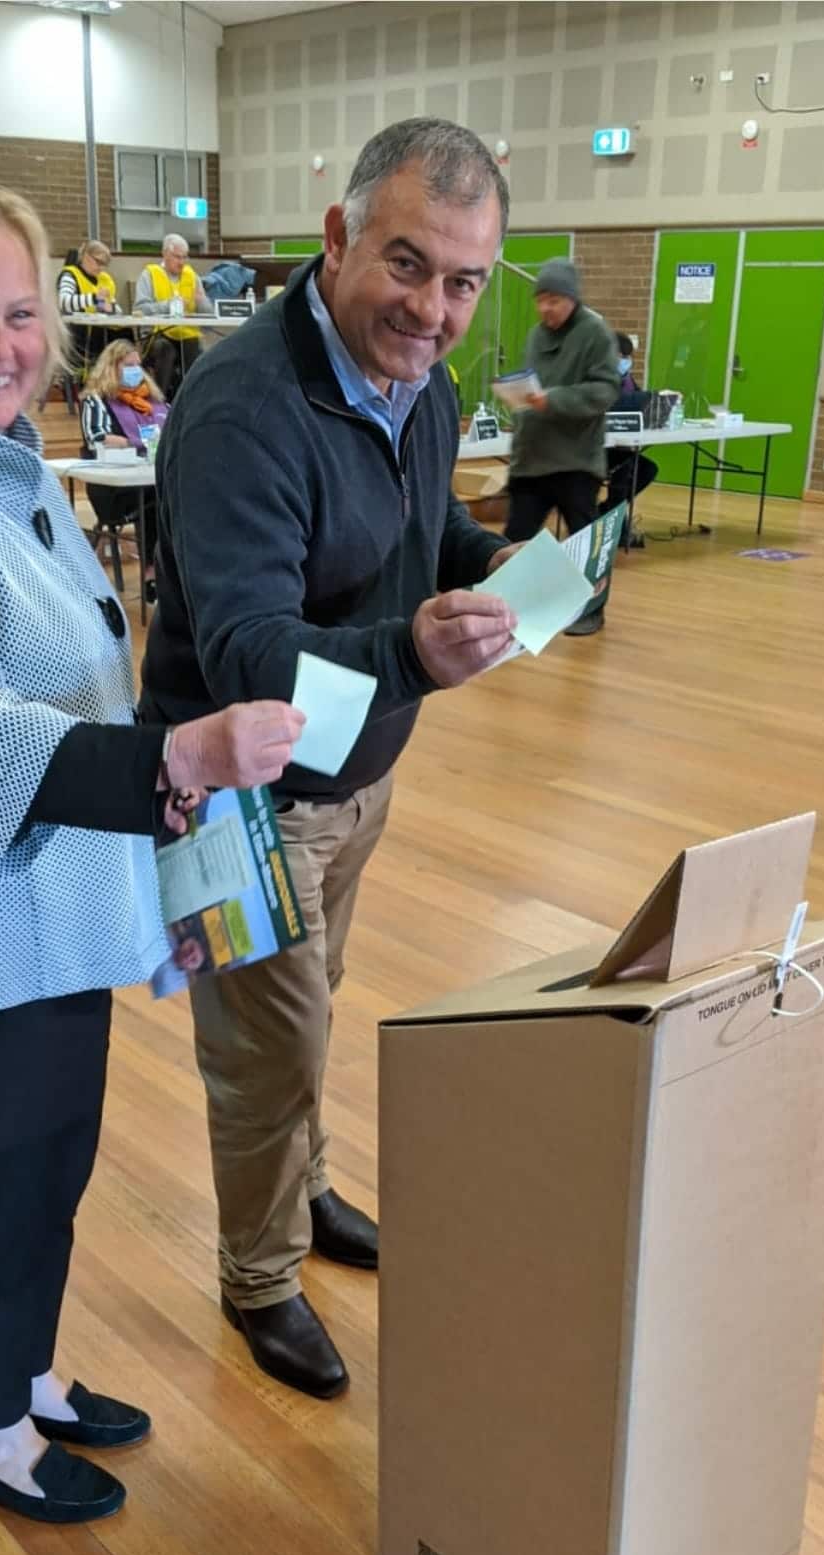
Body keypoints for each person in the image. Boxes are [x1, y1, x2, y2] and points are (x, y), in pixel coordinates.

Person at [0, 176, 303, 1524]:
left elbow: (84, 682)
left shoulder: (9, 465)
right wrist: (177, 761)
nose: (1, 345)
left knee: (46, 1167)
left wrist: (169, 815)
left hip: (52, 913)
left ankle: (23, 1371)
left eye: (20, 313)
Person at [141, 118, 519, 1400]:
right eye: (406, 264)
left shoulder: (421, 383)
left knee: (309, 1011)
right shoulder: (241, 408)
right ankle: (257, 1277)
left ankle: (300, 1193)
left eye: (463, 282)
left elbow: (424, 523)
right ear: (338, 236)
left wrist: (492, 560)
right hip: (235, 805)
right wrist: (413, 652)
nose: (431, 310)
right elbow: (248, 654)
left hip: (356, 781)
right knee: (267, 1051)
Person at [506, 258, 620, 636]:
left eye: (554, 300)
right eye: (540, 300)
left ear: (572, 298)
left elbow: (605, 390)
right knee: (514, 537)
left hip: (576, 460)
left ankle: (590, 610)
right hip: (532, 457)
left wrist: (552, 400)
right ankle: (503, 607)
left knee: (586, 543)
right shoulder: (535, 336)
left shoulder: (595, 333)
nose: (545, 308)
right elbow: (530, 384)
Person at [80, 338, 169, 603]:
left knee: (175, 496)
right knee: (157, 500)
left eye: (137, 366)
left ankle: (176, 574)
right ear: (112, 367)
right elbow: (97, 438)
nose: (135, 371)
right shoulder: (97, 400)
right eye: (128, 366)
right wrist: (137, 442)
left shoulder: (152, 401)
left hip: (148, 479)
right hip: (113, 489)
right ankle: (152, 575)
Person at [134, 234, 213, 402]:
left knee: (196, 350)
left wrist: (202, 301)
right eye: (177, 257)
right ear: (165, 254)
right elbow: (140, 309)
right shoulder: (149, 275)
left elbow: (208, 316)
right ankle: (159, 402)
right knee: (165, 350)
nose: (182, 262)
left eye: (185, 257)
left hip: (186, 335)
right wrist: (169, 305)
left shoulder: (193, 277)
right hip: (156, 334)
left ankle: (189, 401)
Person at [605, 331, 659, 550]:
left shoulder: (627, 380)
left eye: (627, 356)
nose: (625, 360)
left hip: (620, 445)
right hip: (598, 449)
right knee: (624, 467)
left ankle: (608, 511)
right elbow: (618, 403)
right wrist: (648, 396)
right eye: (620, 356)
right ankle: (618, 528)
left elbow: (634, 403)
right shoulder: (601, 380)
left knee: (647, 469)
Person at [57, 239, 118, 375]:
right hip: (75, 338)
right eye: (98, 262)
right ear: (86, 256)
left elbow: (114, 308)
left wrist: (110, 308)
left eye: (105, 264)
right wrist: (94, 298)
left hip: (98, 337)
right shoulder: (70, 275)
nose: (101, 268)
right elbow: (64, 302)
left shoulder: (104, 280)